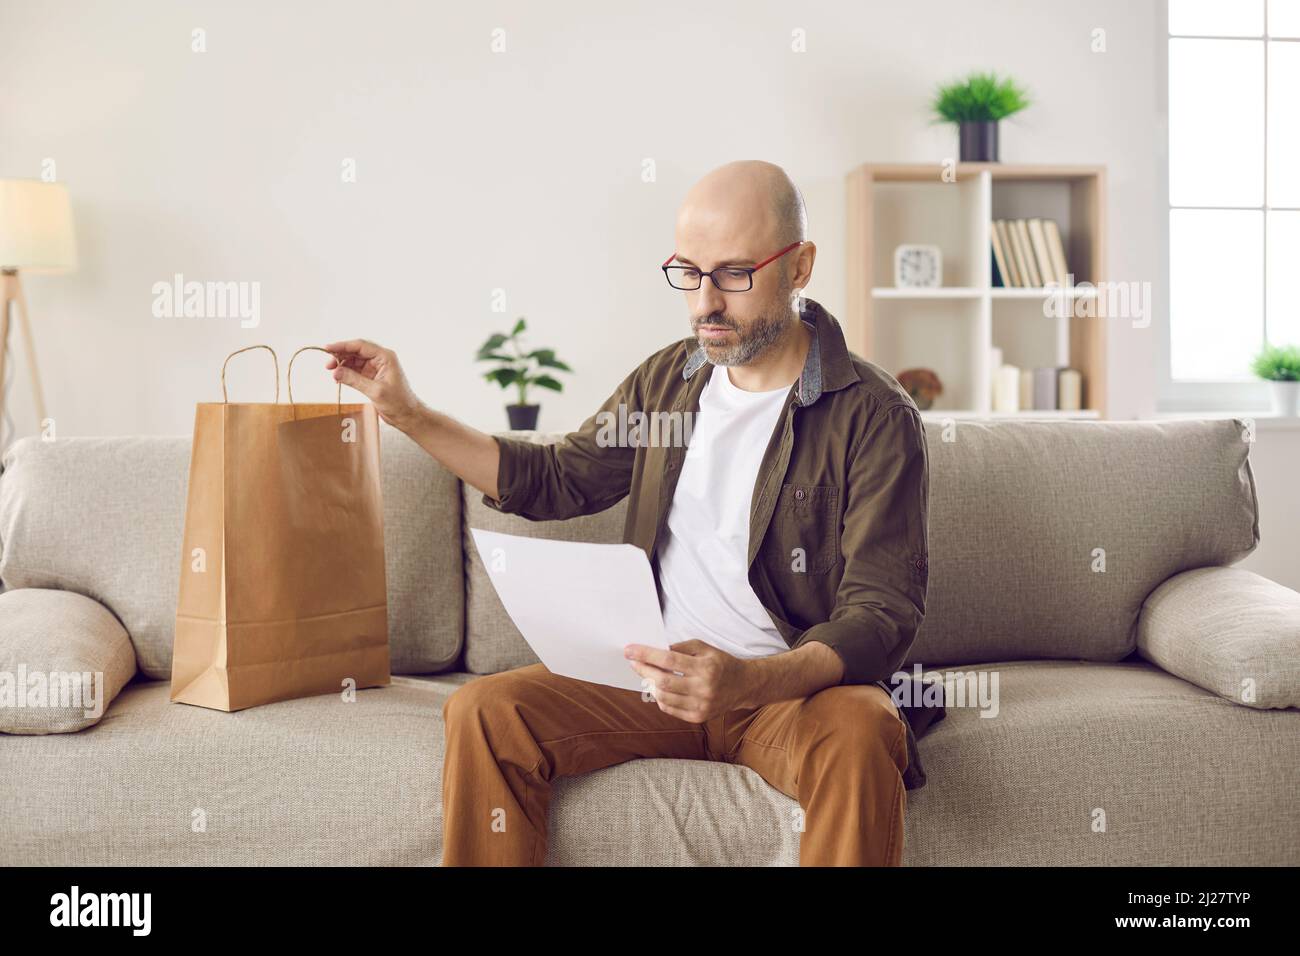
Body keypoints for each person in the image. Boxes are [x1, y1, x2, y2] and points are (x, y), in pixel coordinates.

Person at [324, 159, 931, 867]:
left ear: (799, 268)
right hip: (653, 683)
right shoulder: (668, 383)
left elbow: (880, 613)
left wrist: (747, 681)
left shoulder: (874, 416)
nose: (706, 302)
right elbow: (556, 478)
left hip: (787, 695)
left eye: (735, 274)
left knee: (863, 728)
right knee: (485, 711)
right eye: (688, 272)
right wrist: (409, 414)